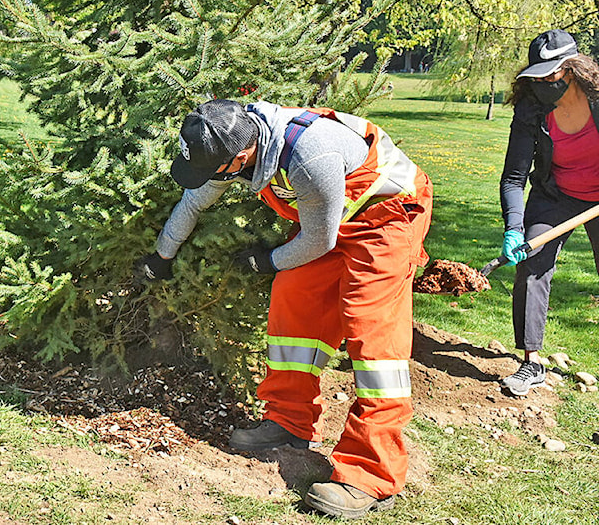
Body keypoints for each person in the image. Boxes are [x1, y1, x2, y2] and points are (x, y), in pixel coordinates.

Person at [138, 98, 432, 519]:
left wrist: (268, 261)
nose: (211, 179)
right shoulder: (233, 136)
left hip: (389, 219)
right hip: (331, 221)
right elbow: (194, 201)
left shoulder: (312, 155)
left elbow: (318, 240)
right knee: (295, 304)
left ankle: (371, 472)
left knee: (373, 339)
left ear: (241, 156)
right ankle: (289, 423)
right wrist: (162, 256)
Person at [498, 29, 599, 397]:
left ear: (571, 69)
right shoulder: (531, 110)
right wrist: (513, 227)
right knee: (532, 260)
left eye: (551, 74)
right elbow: (513, 178)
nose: (543, 82)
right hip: (557, 196)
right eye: (537, 75)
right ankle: (531, 361)